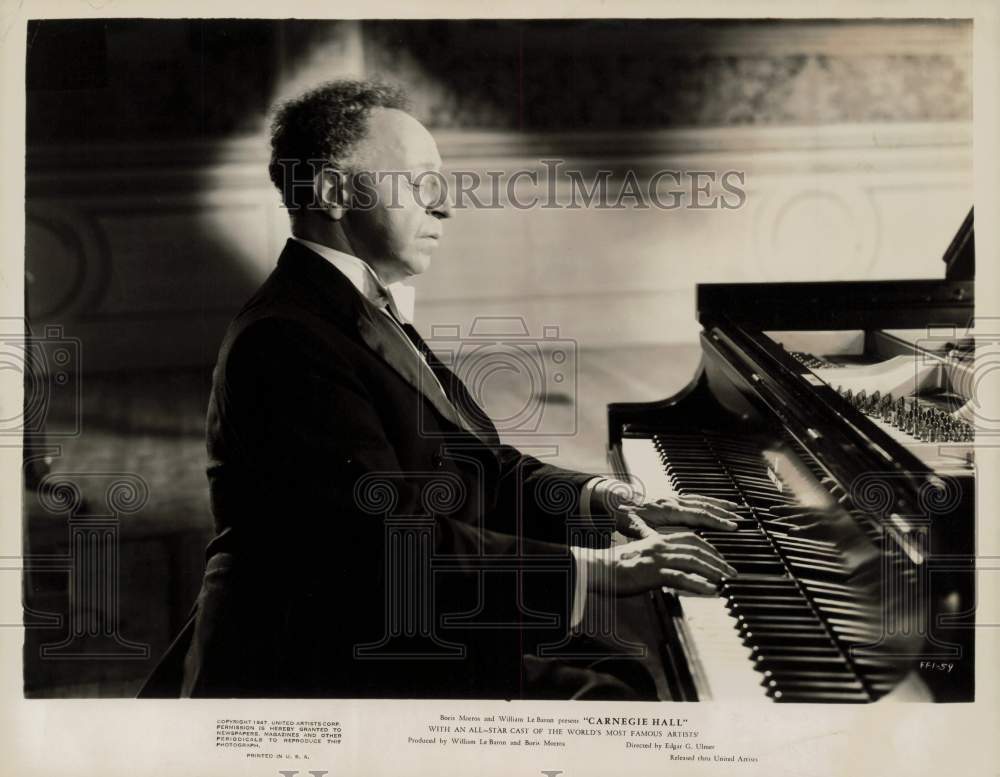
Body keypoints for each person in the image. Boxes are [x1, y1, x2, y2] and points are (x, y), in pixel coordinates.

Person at [139, 80, 738, 700]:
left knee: (620, 670)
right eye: (421, 181)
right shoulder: (285, 339)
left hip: (385, 619)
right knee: (610, 693)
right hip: (321, 656)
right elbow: (377, 543)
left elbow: (480, 467)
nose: (445, 206)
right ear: (333, 193)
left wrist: (605, 499)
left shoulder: (347, 307)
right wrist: (602, 569)